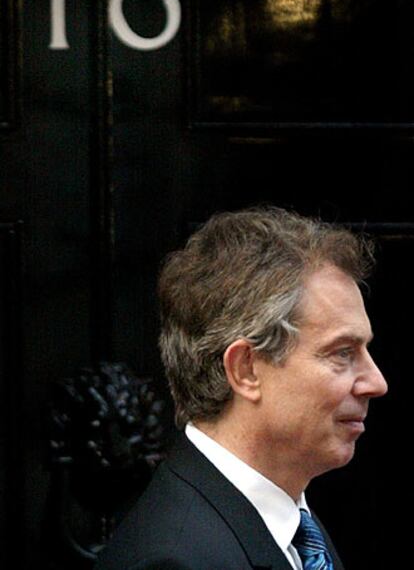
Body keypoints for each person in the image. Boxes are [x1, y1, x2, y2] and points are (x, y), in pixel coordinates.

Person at [95, 206, 388, 570]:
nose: (377, 383)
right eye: (342, 353)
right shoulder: (174, 560)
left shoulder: (292, 524)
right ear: (246, 369)